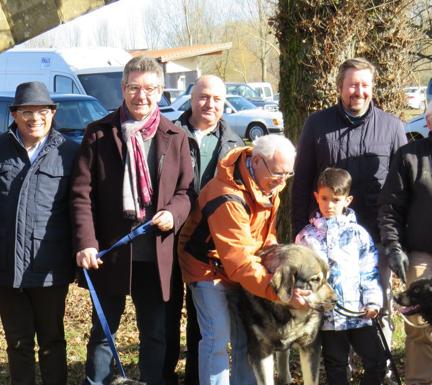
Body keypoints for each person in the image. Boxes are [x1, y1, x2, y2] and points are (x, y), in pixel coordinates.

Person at [71, 56, 193, 385]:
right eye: (135, 88)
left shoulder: (175, 136)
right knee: (102, 335)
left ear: (161, 91)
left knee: (155, 334)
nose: (142, 95)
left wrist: (174, 213)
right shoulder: (98, 134)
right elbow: (82, 194)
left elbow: (185, 192)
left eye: (150, 88)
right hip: (109, 253)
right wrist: (86, 243)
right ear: (123, 88)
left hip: (156, 256)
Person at [291, 57, 406, 367]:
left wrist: (398, 241)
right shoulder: (318, 125)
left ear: (372, 88)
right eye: (353, 84)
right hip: (324, 241)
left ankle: (376, 369)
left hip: (376, 239)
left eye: (365, 84)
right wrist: (299, 236)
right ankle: (337, 368)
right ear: (340, 87)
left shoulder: (393, 127)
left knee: (376, 307)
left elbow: (401, 188)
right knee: (331, 315)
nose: (359, 91)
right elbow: (301, 182)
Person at [178, 134, 308, 385]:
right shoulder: (226, 196)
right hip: (207, 267)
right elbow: (238, 261)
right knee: (218, 336)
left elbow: (264, 235)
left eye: (287, 175)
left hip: (242, 264)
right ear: (257, 161)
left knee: (248, 337)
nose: (282, 181)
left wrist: (278, 262)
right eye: (278, 174)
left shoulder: (270, 184)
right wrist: (279, 290)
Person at [0, 81, 79, 385]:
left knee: (52, 341)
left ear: (52, 113)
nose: (34, 118)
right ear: (14, 114)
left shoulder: (69, 152)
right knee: (18, 342)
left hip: (50, 264)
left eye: (42, 111)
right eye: (26, 111)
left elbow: (81, 206)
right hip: (7, 263)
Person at [166, 75, 244, 385]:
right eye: (203, 97)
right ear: (191, 98)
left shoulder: (235, 144)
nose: (209, 104)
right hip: (170, 235)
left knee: (205, 322)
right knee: (167, 315)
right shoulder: (171, 134)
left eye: (216, 98)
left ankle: (196, 379)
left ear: (224, 102)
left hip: (210, 245)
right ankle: (162, 376)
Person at [295, 168, 385, 385]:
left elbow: (369, 271)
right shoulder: (306, 237)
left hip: (359, 313)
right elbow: (300, 276)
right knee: (336, 366)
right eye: (324, 198)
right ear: (316, 197)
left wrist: (373, 301)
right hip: (328, 319)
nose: (329, 205)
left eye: (336, 199)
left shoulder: (358, 235)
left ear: (348, 200)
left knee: (376, 361)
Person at [378, 101, 432, 385]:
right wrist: (395, 246)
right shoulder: (410, 156)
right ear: (428, 120)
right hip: (423, 253)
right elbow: (390, 208)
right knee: (419, 327)